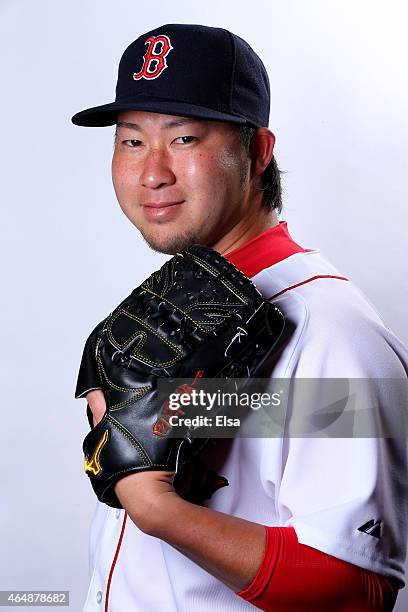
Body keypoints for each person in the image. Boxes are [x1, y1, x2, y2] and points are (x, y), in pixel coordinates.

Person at [72, 23, 407, 611]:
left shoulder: (329, 331)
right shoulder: (175, 307)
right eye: (131, 141)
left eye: (184, 139)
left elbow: (359, 587)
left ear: (257, 152)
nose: (152, 173)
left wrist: (158, 509)